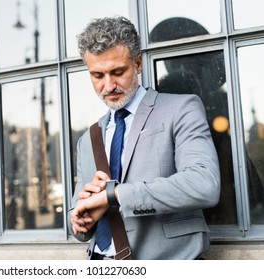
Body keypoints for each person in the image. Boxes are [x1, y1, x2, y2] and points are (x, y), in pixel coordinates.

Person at [68, 16, 221, 260]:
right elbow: (77, 217)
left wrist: (114, 195)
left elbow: (204, 184)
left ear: (138, 63)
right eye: (97, 76)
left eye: (117, 72)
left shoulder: (182, 108)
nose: (108, 86)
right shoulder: (88, 138)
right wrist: (80, 221)